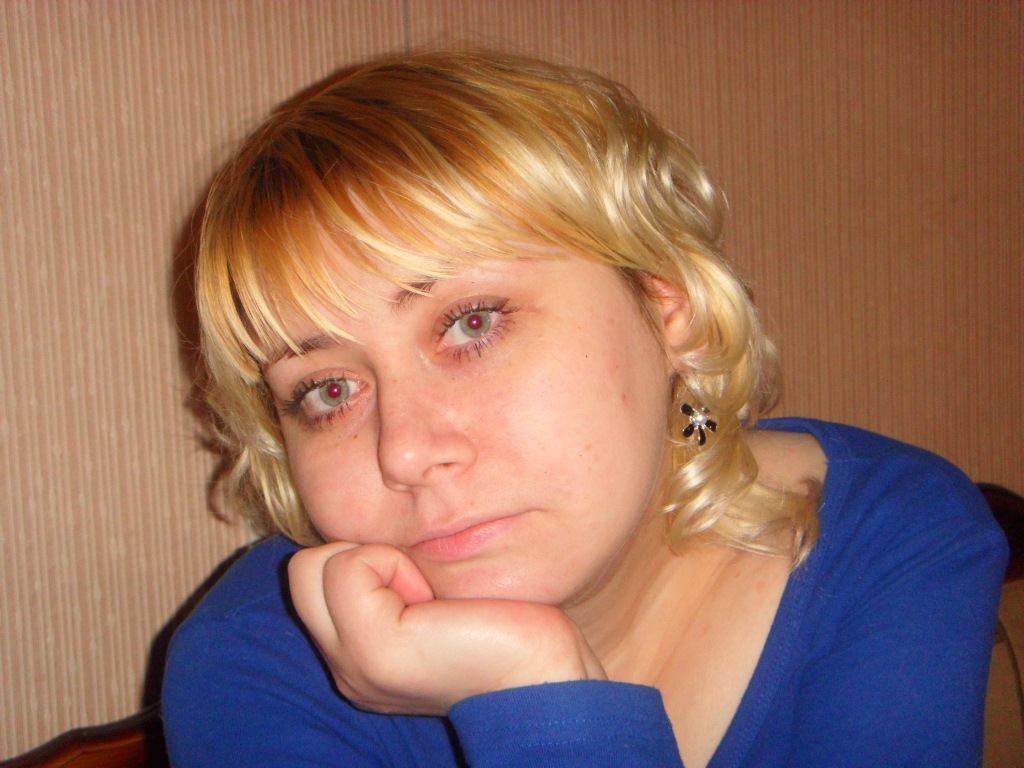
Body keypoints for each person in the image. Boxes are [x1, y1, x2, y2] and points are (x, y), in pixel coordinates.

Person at [162, 50, 1007, 767]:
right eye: (327, 391)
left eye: (472, 322)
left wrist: (545, 701)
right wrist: (538, 685)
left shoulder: (887, 532)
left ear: (669, 310)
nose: (406, 451)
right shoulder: (260, 663)